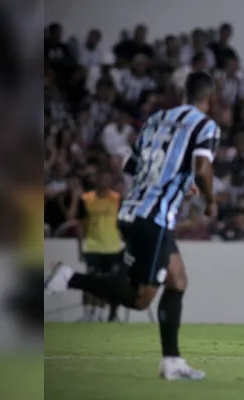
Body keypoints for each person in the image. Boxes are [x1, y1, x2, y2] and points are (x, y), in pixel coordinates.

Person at [44, 71, 220, 381]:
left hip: (132, 211)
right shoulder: (206, 125)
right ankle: (70, 278)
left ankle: (172, 362)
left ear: (183, 93)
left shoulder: (155, 119)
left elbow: (131, 164)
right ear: (210, 98)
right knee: (140, 299)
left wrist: (181, 182)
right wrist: (210, 198)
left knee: (177, 280)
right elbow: (203, 167)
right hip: (153, 218)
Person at [74, 169, 123, 322]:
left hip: (112, 248)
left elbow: (122, 223)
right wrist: (80, 247)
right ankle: (88, 314)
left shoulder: (117, 199)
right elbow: (80, 225)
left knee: (107, 283)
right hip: (93, 247)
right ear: (96, 180)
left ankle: (101, 314)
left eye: (107, 178)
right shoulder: (87, 199)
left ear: (111, 181)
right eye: (102, 178)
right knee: (90, 281)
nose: (104, 181)